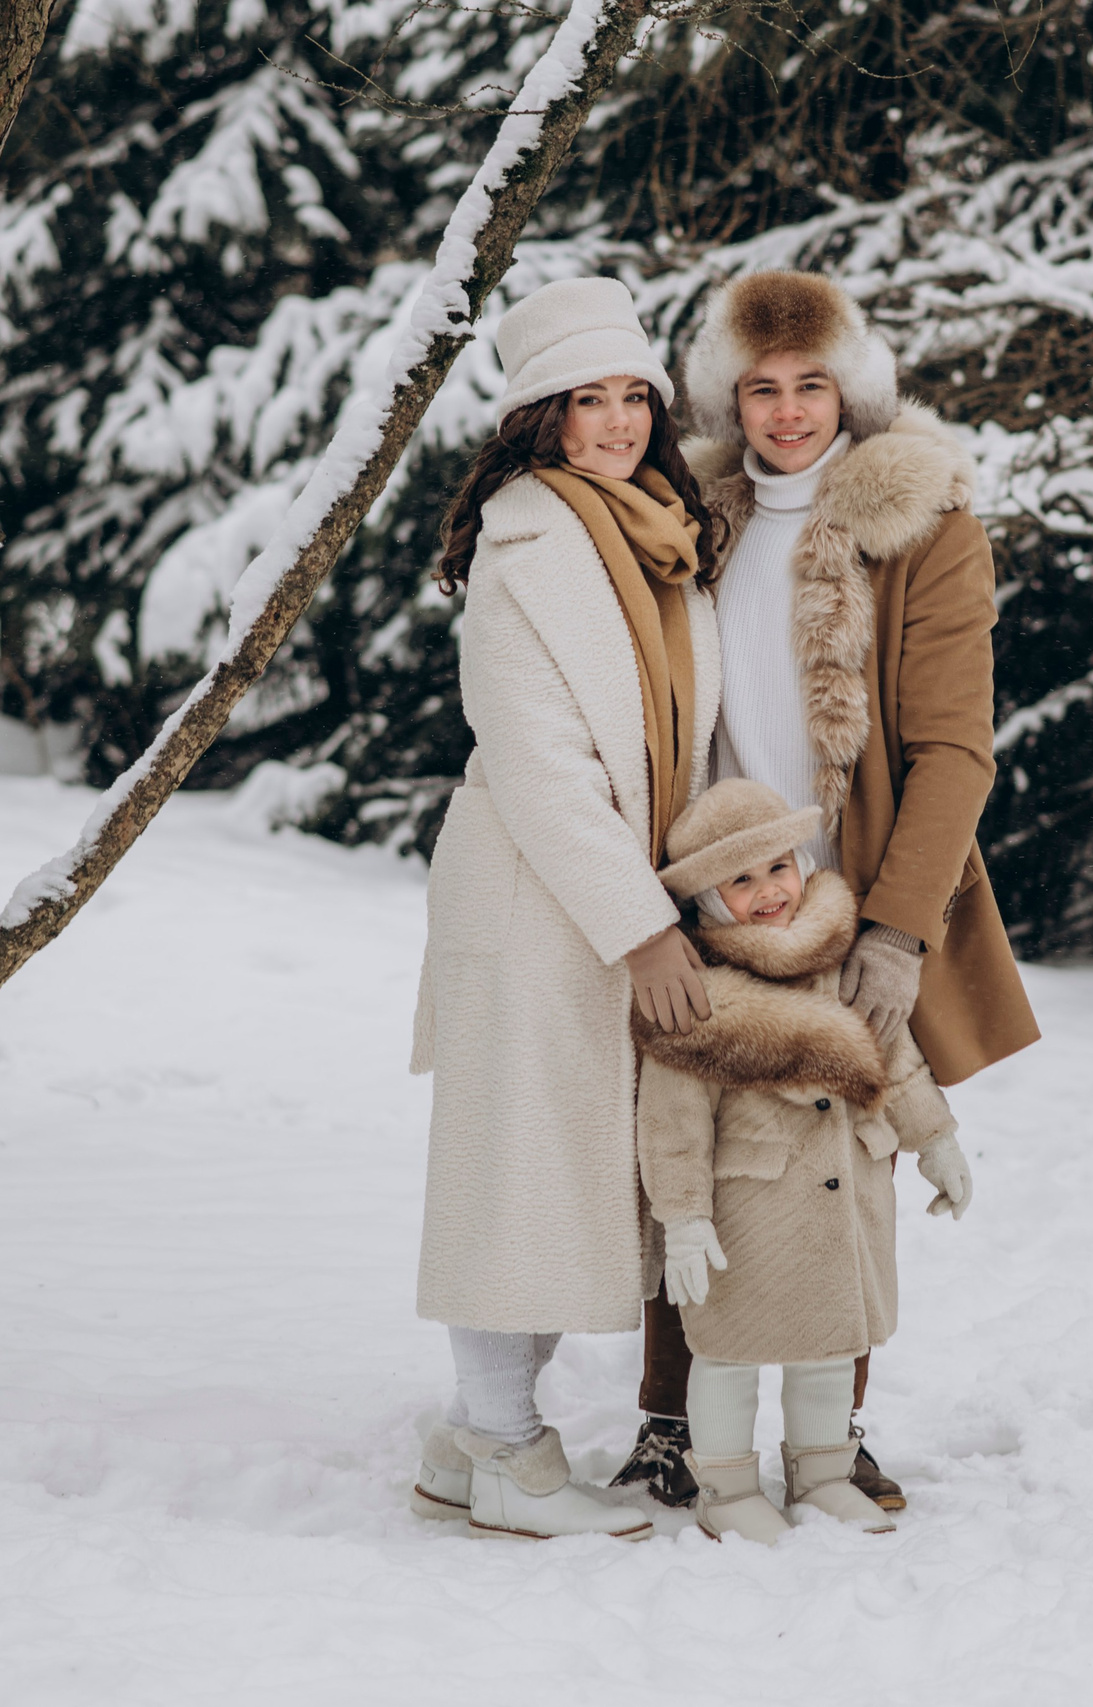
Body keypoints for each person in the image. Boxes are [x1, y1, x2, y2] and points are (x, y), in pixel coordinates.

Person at [612, 270, 1041, 1512]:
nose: (788, 412)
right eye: (760, 387)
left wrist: (899, 927)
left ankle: (828, 1431)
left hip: (847, 891)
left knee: (835, 1153)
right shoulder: (696, 518)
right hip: (707, 883)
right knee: (689, 1145)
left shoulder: (922, 524)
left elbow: (955, 748)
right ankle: (671, 1424)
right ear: (726, 396)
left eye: (810, 385)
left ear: (851, 388)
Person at [405, 276, 723, 1541]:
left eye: (633, 394)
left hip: (606, 892)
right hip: (540, 897)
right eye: (587, 399)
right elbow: (538, 762)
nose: (618, 421)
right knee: (515, 1175)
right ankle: (505, 1451)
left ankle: (467, 1444)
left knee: (555, 1175)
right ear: (541, 417)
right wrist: (641, 929)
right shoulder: (525, 546)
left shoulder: (659, 535)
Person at [634, 780, 966, 1543]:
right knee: (729, 1353)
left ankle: (821, 1474)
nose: (768, 892)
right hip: (750, 1217)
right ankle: (725, 1487)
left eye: (778, 867)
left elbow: (896, 1061)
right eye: (741, 879)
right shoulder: (697, 995)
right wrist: (682, 1219)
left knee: (827, 1351)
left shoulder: (839, 957)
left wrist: (936, 1139)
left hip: (842, 1207)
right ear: (708, 897)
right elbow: (673, 1124)